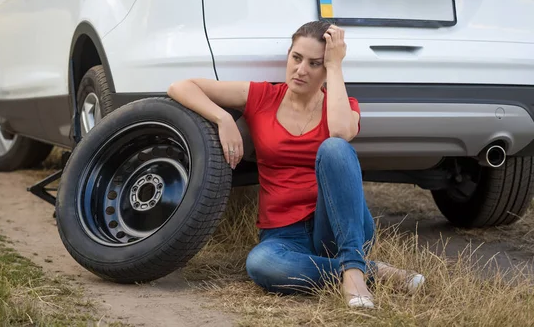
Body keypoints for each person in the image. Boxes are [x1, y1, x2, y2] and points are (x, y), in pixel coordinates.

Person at [167, 21, 424, 308]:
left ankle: (353, 269)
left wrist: (336, 65)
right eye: (297, 58)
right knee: (262, 263)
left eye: (315, 64)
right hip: (282, 233)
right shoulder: (262, 96)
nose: (301, 70)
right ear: (288, 54)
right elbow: (180, 86)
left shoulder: (344, 105)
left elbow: (340, 133)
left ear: (326, 70)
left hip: (336, 227)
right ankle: (373, 271)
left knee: (334, 148)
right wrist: (223, 118)